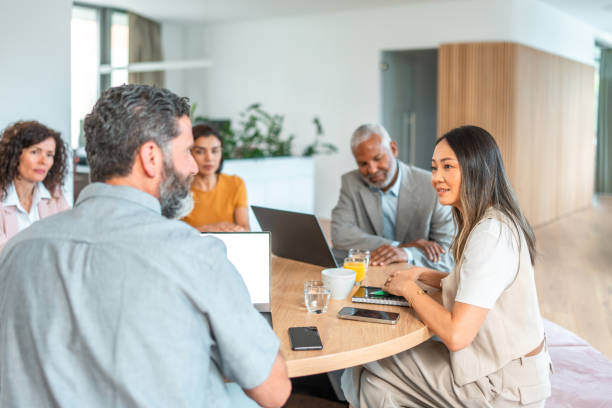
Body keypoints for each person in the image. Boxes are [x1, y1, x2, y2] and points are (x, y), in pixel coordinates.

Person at [0, 85, 291, 408]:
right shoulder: (192, 253)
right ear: (151, 157)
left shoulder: (17, 251)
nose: (194, 167)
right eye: (187, 152)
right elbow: (274, 391)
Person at [341, 125, 552, 407]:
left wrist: (409, 290)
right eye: (434, 168)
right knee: (375, 385)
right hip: (501, 369)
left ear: (476, 169)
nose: (436, 178)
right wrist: (421, 274)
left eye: (447, 167)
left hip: (503, 387)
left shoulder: (490, 235)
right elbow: (476, 287)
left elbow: (456, 335)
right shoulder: (490, 220)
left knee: (367, 363)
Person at [331, 123, 454, 270]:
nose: (372, 169)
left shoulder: (432, 185)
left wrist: (407, 253)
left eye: (377, 158)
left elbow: (449, 256)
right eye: (363, 164)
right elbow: (340, 235)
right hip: (372, 274)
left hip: (416, 281)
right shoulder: (351, 182)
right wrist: (398, 246)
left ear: (393, 149)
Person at [0, 120, 70, 252]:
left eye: (49, 155)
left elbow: (68, 239)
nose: (43, 161)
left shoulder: (54, 195)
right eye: (35, 152)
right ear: (15, 154)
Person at [182, 124, 250, 232]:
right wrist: (205, 229)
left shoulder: (235, 183)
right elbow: (173, 236)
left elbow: (245, 228)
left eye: (215, 151)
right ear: (189, 153)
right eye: (200, 151)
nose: (209, 158)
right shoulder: (178, 190)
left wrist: (239, 231)